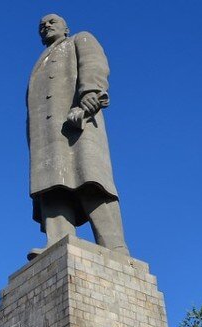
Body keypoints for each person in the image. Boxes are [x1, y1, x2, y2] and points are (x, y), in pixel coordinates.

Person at [26, 14, 128, 260]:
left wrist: (90, 93)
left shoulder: (79, 39)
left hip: (78, 122)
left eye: (52, 22)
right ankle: (56, 241)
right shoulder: (39, 61)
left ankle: (115, 248)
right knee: (52, 188)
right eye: (42, 25)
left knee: (91, 181)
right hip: (46, 138)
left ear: (66, 27)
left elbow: (94, 64)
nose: (46, 26)